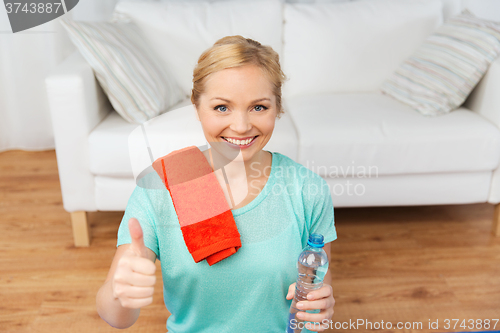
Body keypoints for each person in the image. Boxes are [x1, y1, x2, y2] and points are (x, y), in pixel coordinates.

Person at [96, 35, 337, 333]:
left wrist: (321, 309)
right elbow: (116, 317)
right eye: (222, 107)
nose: (240, 126)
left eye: (258, 107)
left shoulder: (307, 189)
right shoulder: (161, 186)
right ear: (197, 108)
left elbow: (315, 296)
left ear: (278, 107)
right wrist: (123, 293)